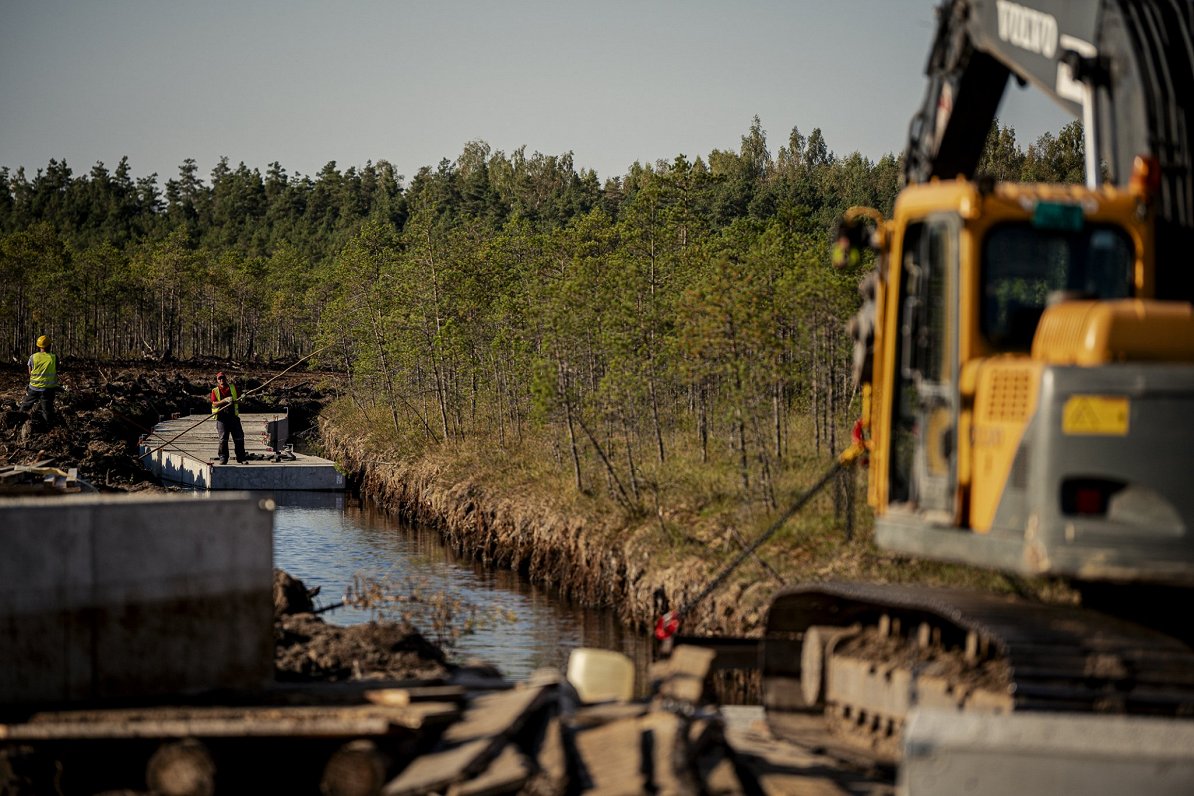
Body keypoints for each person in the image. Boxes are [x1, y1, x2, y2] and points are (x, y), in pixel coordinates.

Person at [19, 335, 59, 428]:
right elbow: (56, 370)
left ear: (39, 346)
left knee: (25, 406)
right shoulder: (54, 357)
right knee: (47, 410)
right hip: (48, 390)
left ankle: (18, 421)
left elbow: (30, 372)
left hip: (33, 388)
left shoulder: (33, 357)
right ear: (49, 346)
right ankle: (48, 429)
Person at [210, 371, 248, 465]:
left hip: (233, 417)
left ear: (225, 378)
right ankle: (223, 458)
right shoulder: (215, 391)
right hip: (222, 418)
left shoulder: (233, 388)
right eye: (220, 379)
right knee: (223, 439)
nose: (222, 380)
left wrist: (243, 397)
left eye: (223, 378)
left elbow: (239, 399)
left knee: (239, 437)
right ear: (217, 380)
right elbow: (214, 403)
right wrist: (224, 400)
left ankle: (241, 458)